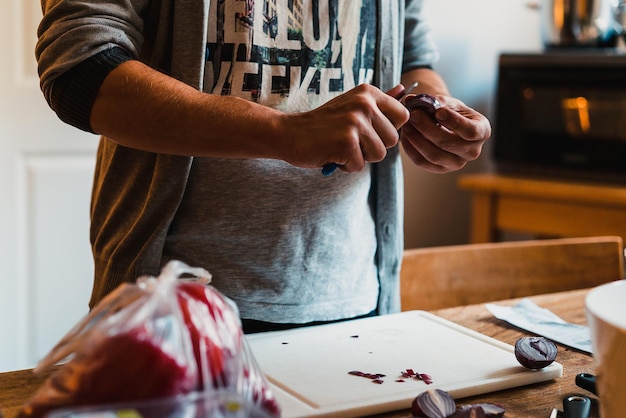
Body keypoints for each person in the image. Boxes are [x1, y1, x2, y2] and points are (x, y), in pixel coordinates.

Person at [36, 1, 491, 333]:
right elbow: (80, 68)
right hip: (171, 313)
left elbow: (413, 58)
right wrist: (285, 133)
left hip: (357, 301)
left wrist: (435, 108)